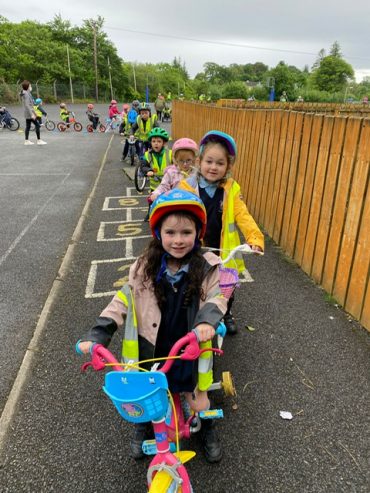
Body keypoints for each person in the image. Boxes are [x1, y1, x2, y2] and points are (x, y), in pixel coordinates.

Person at [77, 189, 227, 463]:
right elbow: (120, 301)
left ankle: (206, 426)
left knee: (198, 399)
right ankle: (144, 424)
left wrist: (207, 322)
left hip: (190, 348)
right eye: (170, 232)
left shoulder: (208, 267)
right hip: (153, 349)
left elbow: (219, 297)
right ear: (158, 233)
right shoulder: (144, 266)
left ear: (198, 233)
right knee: (147, 396)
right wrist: (98, 334)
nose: (178, 240)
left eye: (186, 232)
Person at [179, 130, 264, 335]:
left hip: (223, 249)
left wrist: (254, 237)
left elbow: (242, 215)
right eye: (209, 161)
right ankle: (192, 312)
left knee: (226, 284)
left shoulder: (231, 189)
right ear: (199, 162)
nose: (213, 167)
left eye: (220, 163)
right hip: (195, 247)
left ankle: (226, 313)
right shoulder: (186, 186)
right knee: (194, 280)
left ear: (228, 167)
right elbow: (175, 213)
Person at [149, 137, 199, 202]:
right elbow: (164, 186)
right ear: (176, 159)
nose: (185, 164)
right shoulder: (171, 172)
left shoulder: (196, 173)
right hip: (174, 204)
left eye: (188, 160)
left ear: (193, 159)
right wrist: (156, 194)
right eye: (181, 160)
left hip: (191, 204)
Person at [141, 127, 172, 221]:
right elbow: (143, 166)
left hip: (168, 185)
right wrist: (148, 170)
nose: (156, 143)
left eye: (159, 141)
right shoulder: (147, 154)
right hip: (155, 185)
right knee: (152, 200)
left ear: (164, 143)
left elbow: (176, 166)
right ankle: (150, 212)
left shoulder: (170, 154)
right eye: (153, 141)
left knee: (168, 202)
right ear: (150, 142)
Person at [20, 80, 46, 145]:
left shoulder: (27, 93)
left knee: (28, 126)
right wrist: (32, 114)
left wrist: (34, 113)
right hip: (29, 113)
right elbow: (27, 105)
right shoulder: (26, 94)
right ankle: (39, 140)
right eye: (30, 86)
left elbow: (31, 105)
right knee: (37, 125)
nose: (31, 87)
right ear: (28, 87)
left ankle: (26, 141)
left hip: (28, 112)